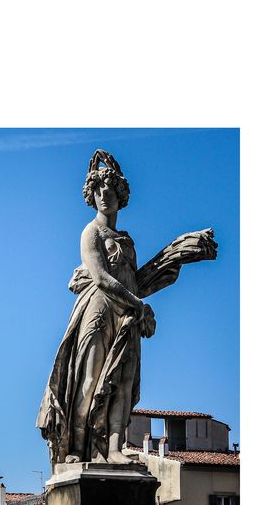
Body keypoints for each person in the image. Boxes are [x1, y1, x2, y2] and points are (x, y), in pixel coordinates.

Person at [37, 149, 216, 466]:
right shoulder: (91, 232)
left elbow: (136, 281)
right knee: (89, 381)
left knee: (122, 382)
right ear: (92, 196)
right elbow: (103, 279)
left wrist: (179, 254)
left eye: (110, 190)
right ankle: (77, 447)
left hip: (127, 316)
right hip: (99, 311)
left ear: (121, 196)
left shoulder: (126, 239)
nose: (105, 195)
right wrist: (140, 305)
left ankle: (116, 448)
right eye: (99, 190)